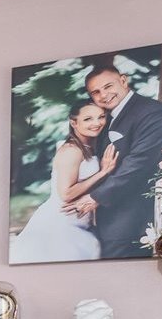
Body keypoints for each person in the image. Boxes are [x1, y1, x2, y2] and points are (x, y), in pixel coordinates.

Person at [73, 64, 162, 258]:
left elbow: (140, 162)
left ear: (123, 80)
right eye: (96, 92)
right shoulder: (106, 118)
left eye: (108, 86)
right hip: (109, 222)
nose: (103, 95)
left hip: (131, 221)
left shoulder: (151, 112)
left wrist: (96, 197)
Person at [10, 102, 116, 262]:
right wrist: (103, 172)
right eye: (88, 119)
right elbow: (66, 193)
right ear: (74, 122)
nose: (96, 123)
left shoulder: (87, 147)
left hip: (77, 222)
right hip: (60, 224)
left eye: (101, 117)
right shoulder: (71, 151)